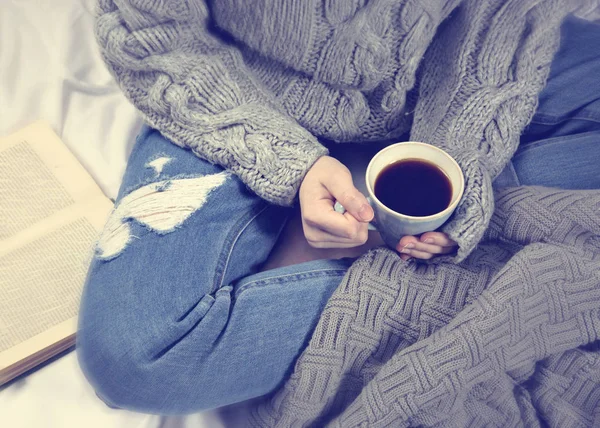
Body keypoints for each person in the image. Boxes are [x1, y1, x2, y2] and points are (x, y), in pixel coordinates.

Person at [77, 0, 600, 415]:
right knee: (138, 359)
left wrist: (455, 167)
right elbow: (152, 36)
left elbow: (499, 17)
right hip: (240, 92)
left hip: (446, 83)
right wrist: (291, 164)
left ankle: (451, 244)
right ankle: (475, 268)